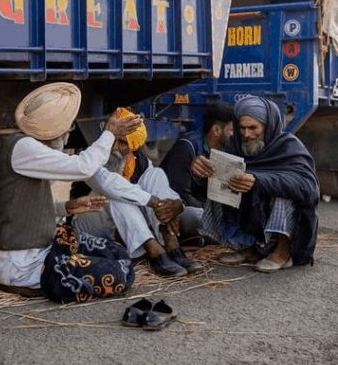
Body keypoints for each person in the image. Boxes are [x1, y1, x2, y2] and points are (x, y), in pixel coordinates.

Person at [0, 82, 144, 297]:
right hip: (19, 266)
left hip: (31, 252)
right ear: (54, 130)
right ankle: (28, 282)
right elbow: (83, 167)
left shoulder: (23, 145)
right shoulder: (23, 148)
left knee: (118, 253)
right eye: (67, 127)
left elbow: (19, 206)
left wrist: (66, 207)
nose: (68, 132)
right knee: (120, 273)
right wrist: (110, 134)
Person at [71, 108, 204, 278]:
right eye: (115, 139)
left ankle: (171, 241)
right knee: (116, 195)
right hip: (90, 226)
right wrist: (154, 202)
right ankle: (154, 250)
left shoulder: (136, 160)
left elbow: (158, 184)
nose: (116, 147)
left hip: (121, 226)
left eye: (124, 143)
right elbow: (111, 184)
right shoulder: (91, 155)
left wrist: (173, 204)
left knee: (156, 175)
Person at [195, 95, 320, 273]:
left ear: (268, 127)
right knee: (227, 183)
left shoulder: (289, 146)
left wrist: (259, 180)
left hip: (287, 221)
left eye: (253, 128)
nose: (246, 135)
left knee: (283, 190)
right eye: (242, 128)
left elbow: (308, 187)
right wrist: (202, 170)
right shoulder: (235, 146)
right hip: (255, 212)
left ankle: (282, 253)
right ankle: (248, 248)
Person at [159, 102, 235, 243]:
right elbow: (181, 196)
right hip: (184, 210)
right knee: (196, 217)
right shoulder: (186, 147)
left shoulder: (227, 150)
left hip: (207, 209)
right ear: (217, 130)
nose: (235, 135)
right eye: (232, 130)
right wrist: (211, 213)